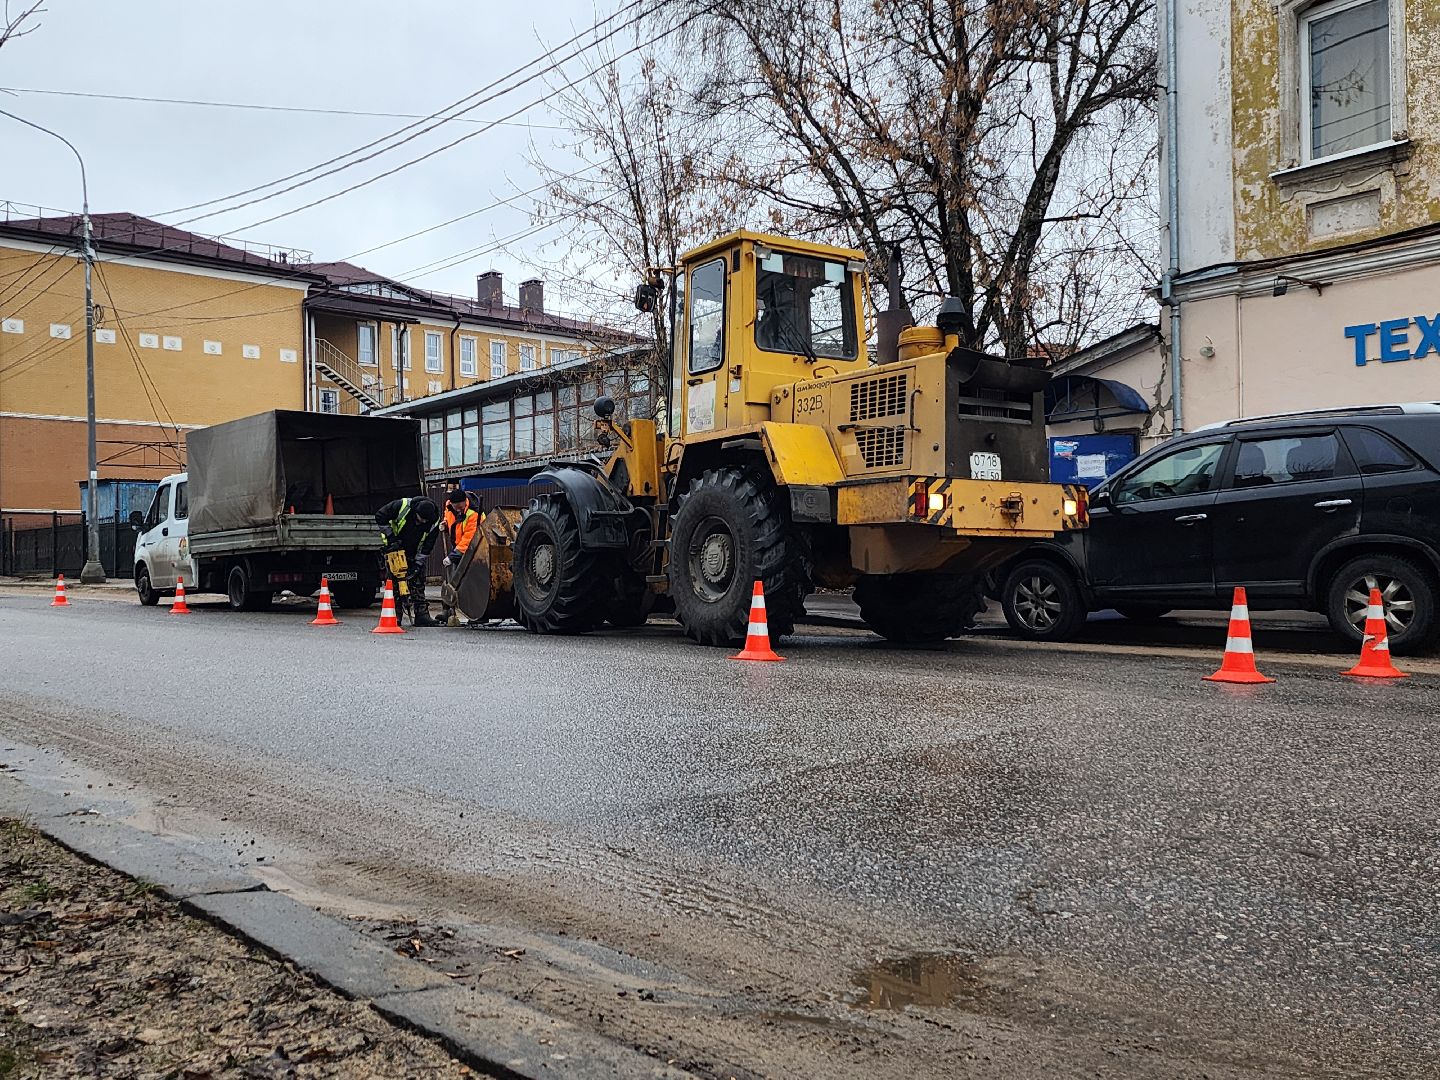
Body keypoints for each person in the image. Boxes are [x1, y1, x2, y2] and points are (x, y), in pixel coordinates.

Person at [374, 496, 441, 626]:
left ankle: (421, 615)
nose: (421, 522)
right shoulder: (402, 506)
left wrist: (417, 564)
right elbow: (380, 516)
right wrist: (391, 538)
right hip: (395, 550)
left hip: (414, 552)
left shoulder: (433, 522)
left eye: (424, 520)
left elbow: (428, 545)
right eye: (420, 518)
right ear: (415, 512)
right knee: (395, 583)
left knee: (418, 583)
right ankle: (395, 614)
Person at [440, 488, 480, 625]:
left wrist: (453, 556)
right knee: (450, 579)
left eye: (460, 507)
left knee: (468, 581)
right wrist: (445, 524)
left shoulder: (473, 513)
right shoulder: (449, 507)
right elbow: (451, 521)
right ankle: (447, 611)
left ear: (465, 502)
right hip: (456, 547)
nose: (458, 510)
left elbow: (469, 539)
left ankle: (475, 614)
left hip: (474, 549)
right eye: (455, 507)